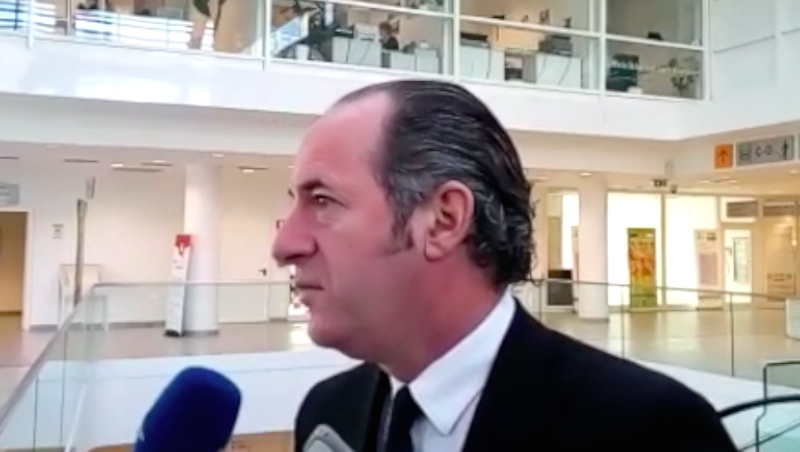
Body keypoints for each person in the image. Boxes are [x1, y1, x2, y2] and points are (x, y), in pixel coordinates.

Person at [272, 80, 737, 452]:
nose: (283, 245)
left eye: (323, 201)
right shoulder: (330, 412)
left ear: (444, 220)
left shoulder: (646, 431)